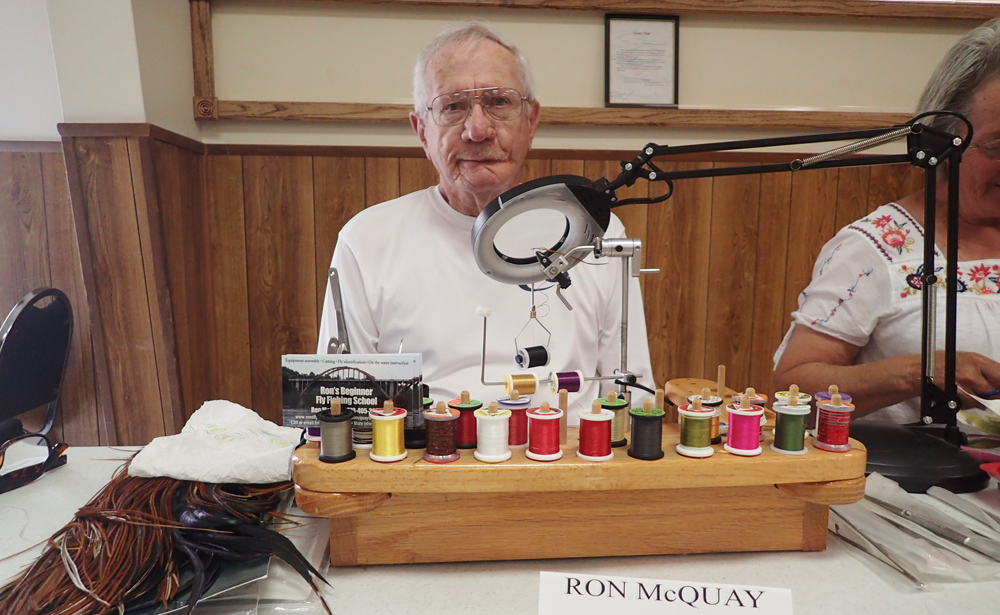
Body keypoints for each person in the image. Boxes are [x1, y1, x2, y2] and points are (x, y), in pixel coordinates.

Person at [317, 23, 654, 420]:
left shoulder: (594, 231)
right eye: (452, 106)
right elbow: (341, 407)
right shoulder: (365, 240)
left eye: (498, 102)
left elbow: (632, 398)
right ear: (422, 131)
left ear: (531, 122)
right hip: (421, 455)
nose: (478, 130)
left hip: (567, 455)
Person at [773, 18, 1000, 422]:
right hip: (915, 463)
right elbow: (797, 390)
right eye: (998, 146)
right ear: (942, 141)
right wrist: (917, 373)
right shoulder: (877, 248)